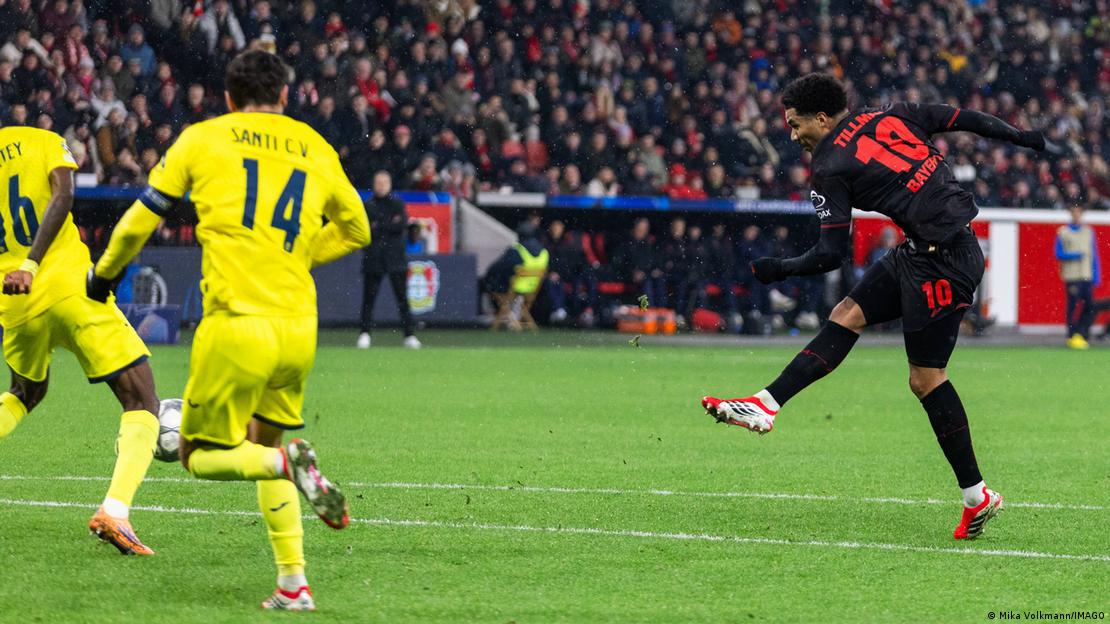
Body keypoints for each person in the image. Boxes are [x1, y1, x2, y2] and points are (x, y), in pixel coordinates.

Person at [702, 73, 1052, 540]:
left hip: (944, 264)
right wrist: (1020, 137)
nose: (793, 135)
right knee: (846, 314)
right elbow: (963, 118)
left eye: (795, 124)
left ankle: (977, 495)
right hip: (928, 250)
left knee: (926, 379)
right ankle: (765, 404)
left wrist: (778, 268)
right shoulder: (893, 113)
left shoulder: (828, 165)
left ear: (822, 118)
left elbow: (831, 255)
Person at [86, 50, 370, 611]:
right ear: (285, 97)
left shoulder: (204, 138)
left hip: (237, 324)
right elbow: (357, 227)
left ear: (231, 99)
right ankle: (294, 584)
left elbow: (144, 217)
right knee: (267, 437)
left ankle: (285, 465)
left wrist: (103, 276)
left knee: (198, 455)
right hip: (298, 328)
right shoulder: (314, 146)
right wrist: (299, 255)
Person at [0, 124, 163, 556]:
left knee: (25, 392)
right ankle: (115, 510)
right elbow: (64, 194)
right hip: (71, 290)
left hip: (14, 298)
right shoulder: (40, 139)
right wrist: (33, 263)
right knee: (142, 398)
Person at [357, 170, 420, 350]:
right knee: (368, 299)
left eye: (385, 182)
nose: (381, 185)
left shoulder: (398, 204)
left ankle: (409, 335)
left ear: (390, 184)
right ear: (373, 184)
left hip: (395, 258)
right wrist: (387, 225)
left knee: (402, 299)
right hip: (373, 258)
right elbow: (367, 230)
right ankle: (364, 333)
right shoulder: (368, 205)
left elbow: (401, 225)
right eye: (378, 182)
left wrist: (379, 225)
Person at [1055, 204, 1101, 349]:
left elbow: (1094, 255)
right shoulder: (1063, 232)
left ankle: (1081, 333)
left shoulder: (1088, 231)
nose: (1076, 215)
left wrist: (1096, 275)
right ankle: (1071, 335)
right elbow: (1058, 253)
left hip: (1086, 275)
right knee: (1073, 307)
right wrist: (1075, 255)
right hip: (1072, 276)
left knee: (1089, 306)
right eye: (1074, 212)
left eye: (1078, 212)